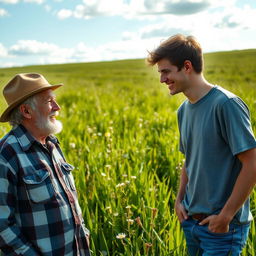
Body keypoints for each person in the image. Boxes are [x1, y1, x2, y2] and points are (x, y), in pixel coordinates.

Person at [147, 34, 256, 255]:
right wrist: (179, 201)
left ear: (187, 66)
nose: (162, 79)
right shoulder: (183, 111)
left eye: (166, 72)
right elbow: (190, 160)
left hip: (221, 229)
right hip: (191, 223)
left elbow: (252, 163)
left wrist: (225, 217)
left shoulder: (226, 104)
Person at [0, 73, 91, 256]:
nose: (57, 107)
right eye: (49, 102)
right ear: (26, 111)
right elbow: (2, 226)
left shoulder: (51, 143)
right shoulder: (6, 155)